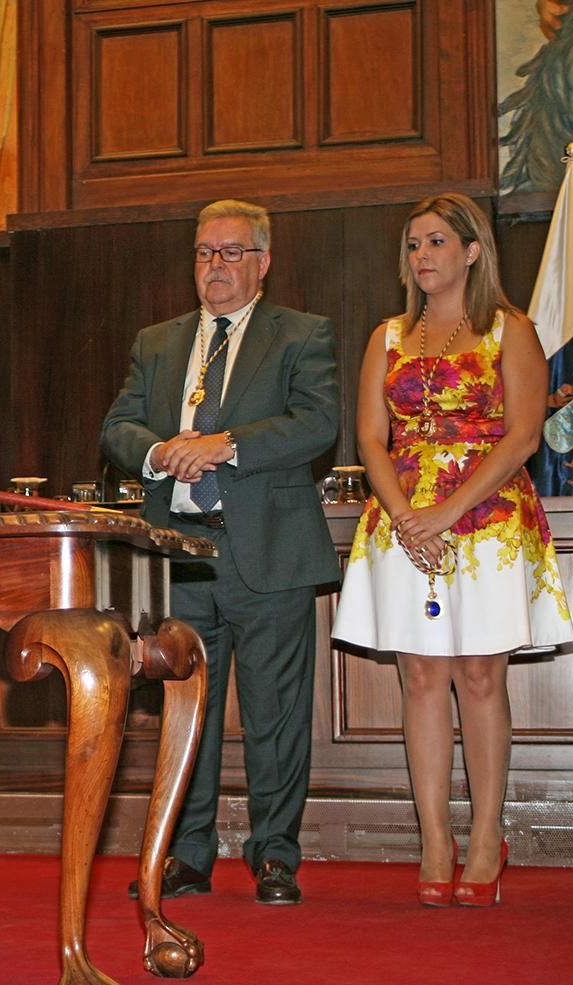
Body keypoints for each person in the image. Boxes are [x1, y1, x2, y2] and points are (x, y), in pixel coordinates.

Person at [331, 193, 573, 906]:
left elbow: (523, 436)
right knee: (420, 679)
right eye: (413, 245)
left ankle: (489, 831)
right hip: (403, 520)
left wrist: (447, 510)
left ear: (472, 251)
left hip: (488, 518)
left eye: (436, 241)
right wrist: (407, 514)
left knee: (479, 676)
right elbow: (372, 438)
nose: (422, 256)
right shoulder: (387, 335)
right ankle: (435, 836)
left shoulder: (510, 329)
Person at [101, 198, 339, 906]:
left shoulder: (302, 334)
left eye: (233, 252)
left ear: (263, 262)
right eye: (205, 252)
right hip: (180, 557)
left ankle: (275, 856)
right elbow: (118, 426)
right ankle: (190, 853)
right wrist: (156, 452)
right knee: (188, 714)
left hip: (268, 552)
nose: (216, 266)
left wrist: (225, 445)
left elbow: (318, 423)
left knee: (275, 714)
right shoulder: (157, 341)